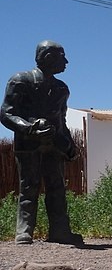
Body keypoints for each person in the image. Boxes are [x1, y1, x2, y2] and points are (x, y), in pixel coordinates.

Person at [1, 40, 83, 245]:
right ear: (48, 58)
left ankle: (60, 231)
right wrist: (29, 127)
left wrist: (69, 145)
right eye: (62, 56)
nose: (66, 61)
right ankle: (24, 232)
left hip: (55, 144)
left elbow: (61, 120)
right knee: (29, 186)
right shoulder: (21, 80)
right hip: (29, 144)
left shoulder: (61, 88)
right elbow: (7, 113)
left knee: (57, 187)